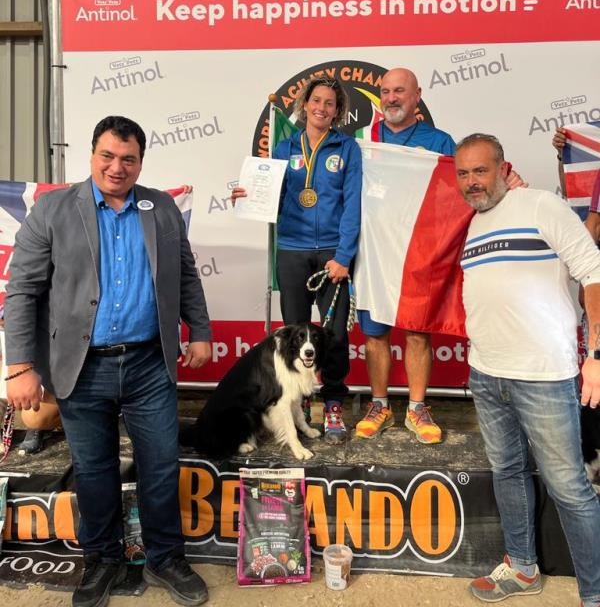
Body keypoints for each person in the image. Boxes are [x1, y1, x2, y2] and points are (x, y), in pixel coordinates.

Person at [4, 116, 212, 607]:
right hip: (82, 367)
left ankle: (165, 557)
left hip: (149, 364)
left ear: (140, 162)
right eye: (108, 156)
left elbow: (185, 274)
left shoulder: (161, 207)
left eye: (128, 159)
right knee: (93, 471)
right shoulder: (53, 209)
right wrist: (20, 366)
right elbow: (22, 291)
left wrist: (200, 331)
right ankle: (102, 560)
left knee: (160, 466)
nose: (117, 167)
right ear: (92, 155)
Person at [454, 133, 600, 607]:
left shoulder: (541, 206)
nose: (472, 182)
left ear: (503, 168)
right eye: (463, 174)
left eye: (480, 170)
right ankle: (522, 568)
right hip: (486, 375)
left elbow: (593, 273)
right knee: (508, 472)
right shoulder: (473, 225)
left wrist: (596, 357)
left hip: (545, 377)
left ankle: (595, 593)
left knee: (570, 489)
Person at [233, 78, 362, 443]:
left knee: (335, 334)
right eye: (316, 100)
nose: (322, 107)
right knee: (294, 333)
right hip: (291, 249)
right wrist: (248, 196)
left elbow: (353, 204)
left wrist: (344, 256)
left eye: (330, 103)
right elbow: (271, 197)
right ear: (305, 104)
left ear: (338, 111)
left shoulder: (347, 148)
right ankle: (299, 405)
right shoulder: (284, 148)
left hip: (332, 254)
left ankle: (333, 405)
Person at [355, 67, 455, 443]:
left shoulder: (440, 141)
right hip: (372, 252)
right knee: (375, 335)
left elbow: (458, 195)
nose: (391, 98)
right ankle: (379, 405)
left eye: (399, 91)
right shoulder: (361, 140)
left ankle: (416, 408)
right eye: (385, 91)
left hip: (419, 252)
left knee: (417, 333)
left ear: (417, 96)